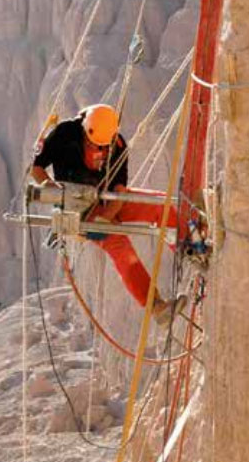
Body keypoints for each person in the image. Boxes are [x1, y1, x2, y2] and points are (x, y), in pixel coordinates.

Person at [30, 104, 186, 325]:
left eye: (104, 147)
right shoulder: (65, 134)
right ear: (85, 131)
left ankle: (188, 247)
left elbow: (120, 191)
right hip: (77, 209)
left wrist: (105, 216)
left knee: (160, 205)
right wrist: (55, 192)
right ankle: (157, 307)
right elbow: (36, 167)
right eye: (94, 146)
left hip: (110, 201)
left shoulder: (117, 144)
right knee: (121, 248)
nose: (100, 152)